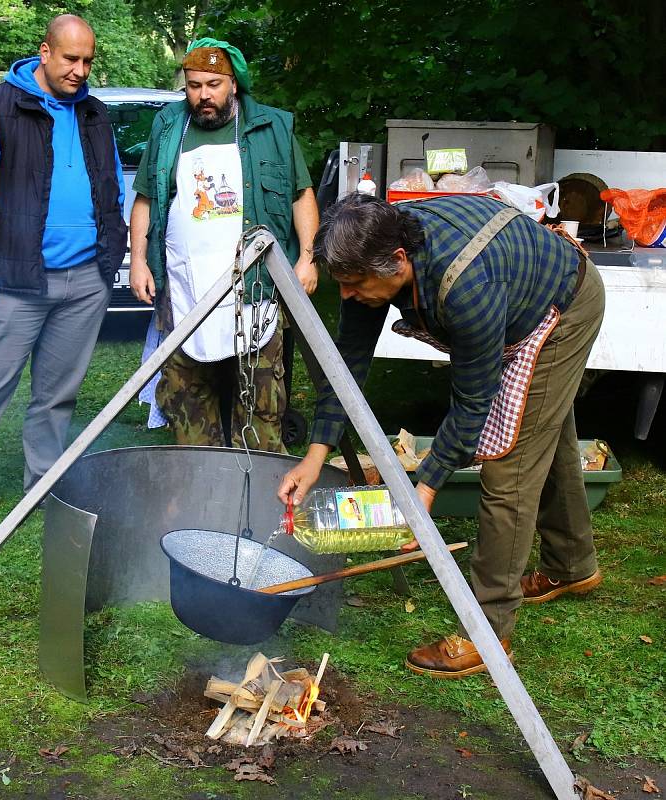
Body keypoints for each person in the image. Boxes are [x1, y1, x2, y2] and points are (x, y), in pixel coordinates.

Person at [278, 192, 605, 679]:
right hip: (516, 294)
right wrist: (315, 452)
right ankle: (573, 565)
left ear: (398, 261)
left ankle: (487, 632)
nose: (346, 295)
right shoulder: (372, 257)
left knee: (509, 467)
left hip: (560, 311)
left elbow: (474, 403)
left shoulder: (464, 286)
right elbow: (345, 365)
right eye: (341, 283)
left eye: (354, 284)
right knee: (543, 437)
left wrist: (424, 488)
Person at [0, 14, 126, 536]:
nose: (80, 70)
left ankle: (42, 486)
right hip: (14, 280)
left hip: (85, 280)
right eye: (70, 59)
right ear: (44, 51)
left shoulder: (95, 115)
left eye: (88, 61)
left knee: (56, 395)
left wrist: (112, 257)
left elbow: (111, 190)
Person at [129, 37, 319, 452]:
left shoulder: (271, 126)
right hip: (184, 290)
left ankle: (260, 501)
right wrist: (140, 261)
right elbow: (145, 197)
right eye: (194, 86)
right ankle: (202, 499)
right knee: (188, 404)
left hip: (257, 293)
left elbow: (302, 194)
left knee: (261, 409)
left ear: (233, 83)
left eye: (213, 84)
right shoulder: (167, 127)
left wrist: (307, 258)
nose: (203, 96)